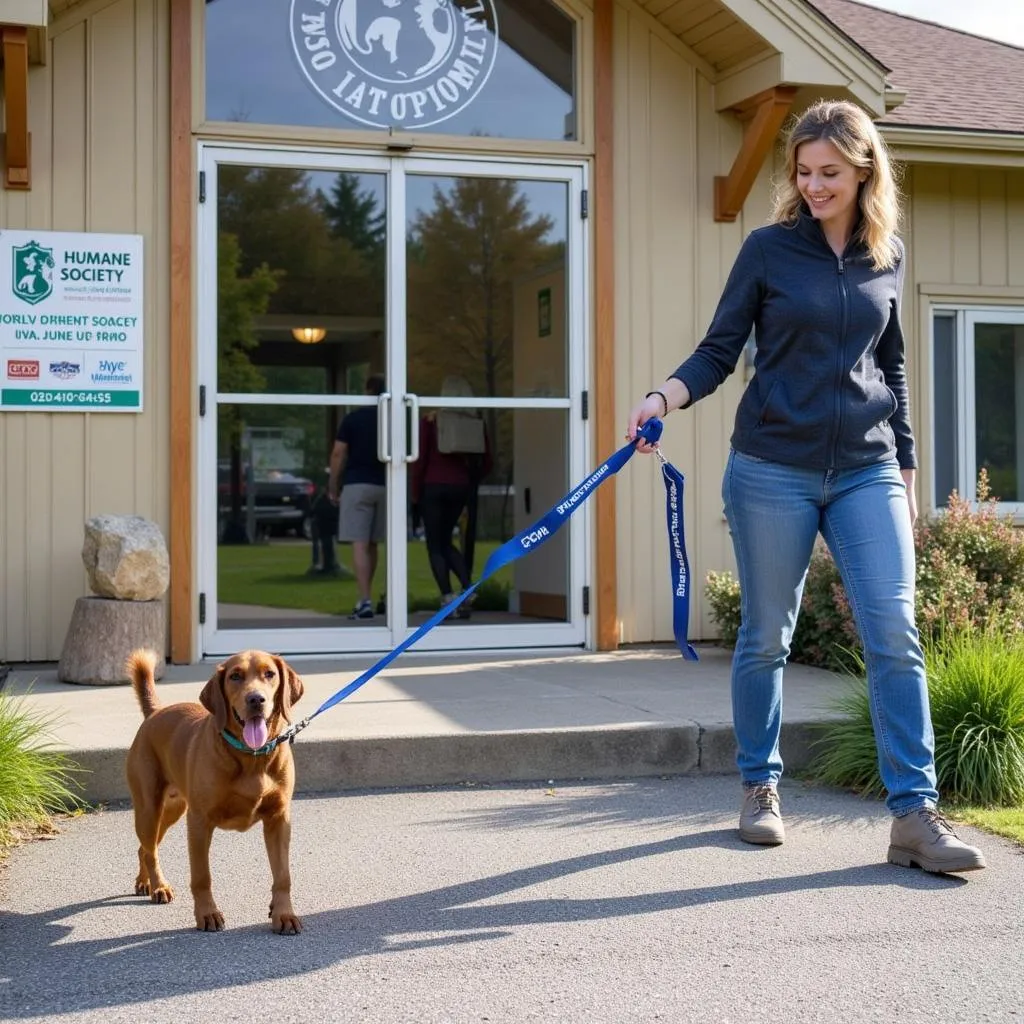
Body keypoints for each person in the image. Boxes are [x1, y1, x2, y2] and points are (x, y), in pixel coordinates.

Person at [628, 99, 986, 874]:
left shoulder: (886, 254)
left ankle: (915, 817)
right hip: (771, 470)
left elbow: (890, 365)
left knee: (893, 630)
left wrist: (908, 463)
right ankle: (760, 787)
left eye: (831, 173)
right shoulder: (767, 250)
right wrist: (662, 397)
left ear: (864, 172)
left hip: (867, 467)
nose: (815, 186)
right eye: (804, 172)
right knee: (766, 636)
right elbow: (720, 350)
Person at [412, 376, 493, 619]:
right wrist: (470, 478)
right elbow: (487, 461)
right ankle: (467, 588)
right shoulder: (476, 422)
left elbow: (420, 459)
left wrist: (415, 494)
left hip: (433, 486)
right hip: (460, 487)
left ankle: (448, 595)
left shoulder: (430, 421)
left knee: (435, 544)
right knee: (446, 540)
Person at [329, 373, 386, 619]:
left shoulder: (353, 419)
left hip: (357, 485)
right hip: (386, 485)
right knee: (374, 544)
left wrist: (333, 484)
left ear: (368, 390)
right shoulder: (392, 420)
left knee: (360, 543)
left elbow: (338, 453)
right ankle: (373, 597)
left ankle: (364, 600)